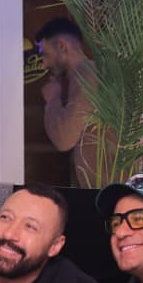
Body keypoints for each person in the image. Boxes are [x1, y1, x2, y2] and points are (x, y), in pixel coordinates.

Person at [36, 18, 103, 188]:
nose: (44, 64)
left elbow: (64, 139)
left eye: (45, 55)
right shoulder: (86, 74)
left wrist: (52, 100)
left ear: (62, 46)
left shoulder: (86, 76)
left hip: (102, 188)